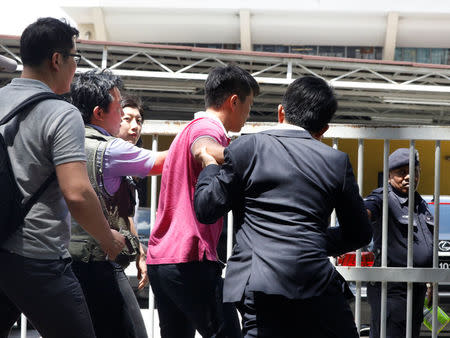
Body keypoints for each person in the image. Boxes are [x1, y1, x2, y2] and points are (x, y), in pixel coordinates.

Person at [194, 76, 373, 338]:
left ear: (281, 112)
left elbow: (206, 207)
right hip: (316, 283)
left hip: (257, 286)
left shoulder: (248, 147)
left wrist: (209, 166)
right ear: (324, 129)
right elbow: (359, 233)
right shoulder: (336, 161)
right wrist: (313, 241)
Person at [0, 18, 125, 338]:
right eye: (75, 58)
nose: (75, 67)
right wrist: (109, 240)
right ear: (57, 60)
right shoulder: (60, 112)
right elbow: (77, 193)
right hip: (37, 256)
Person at [147, 65, 259, 338]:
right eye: (249, 105)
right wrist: (253, 154)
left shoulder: (187, 129)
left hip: (161, 259)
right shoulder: (209, 128)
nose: (248, 115)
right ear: (234, 101)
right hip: (189, 257)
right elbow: (205, 147)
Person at [69, 69, 167, 338]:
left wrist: (138, 251)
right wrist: (200, 133)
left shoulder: (63, 139)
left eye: (139, 119)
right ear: (100, 113)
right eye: (119, 109)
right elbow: (163, 162)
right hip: (100, 262)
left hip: (61, 261)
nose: (132, 124)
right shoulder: (112, 149)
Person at [364, 148, 433, 338]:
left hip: (416, 286)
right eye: (401, 172)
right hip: (391, 289)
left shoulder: (420, 204)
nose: (409, 177)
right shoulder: (383, 197)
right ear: (389, 175)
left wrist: (430, 282)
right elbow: (368, 211)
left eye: (414, 171)